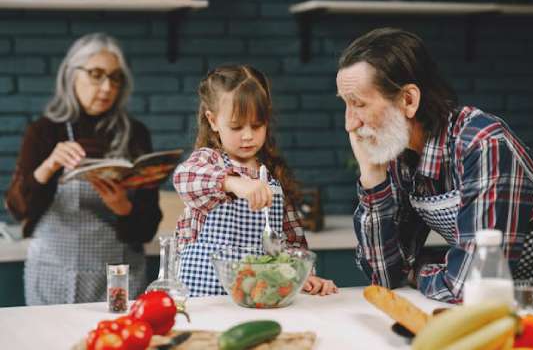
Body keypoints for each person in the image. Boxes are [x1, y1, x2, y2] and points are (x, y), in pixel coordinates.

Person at [336, 27, 533, 303]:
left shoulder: (481, 143)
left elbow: (474, 285)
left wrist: (420, 269)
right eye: (346, 105)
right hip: (516, 300)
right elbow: (385, 275)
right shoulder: (401, 155)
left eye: (359, 104)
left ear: (408, 100)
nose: (349, 123)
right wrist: (372, 177)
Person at [4, 33, 162, 305]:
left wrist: (123, 208)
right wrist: (48, 167)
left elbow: (147, 228)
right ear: (71, 75)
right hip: (54, 275)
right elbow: (19, 209)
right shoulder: (44, 132)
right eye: (96, 74)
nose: (106, 88)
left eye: (115, 78)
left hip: (119, 276)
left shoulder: (134, 134)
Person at [173, 65, 338, 297]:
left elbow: (291, 243)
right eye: (236, 127)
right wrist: (232, 183)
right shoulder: (208, 161)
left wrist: (304, 276)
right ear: (213, 121)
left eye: (257, 125)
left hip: (256, 297)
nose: (248, 135)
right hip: (202, 299)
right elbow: (184, 177)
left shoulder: (272, 175)